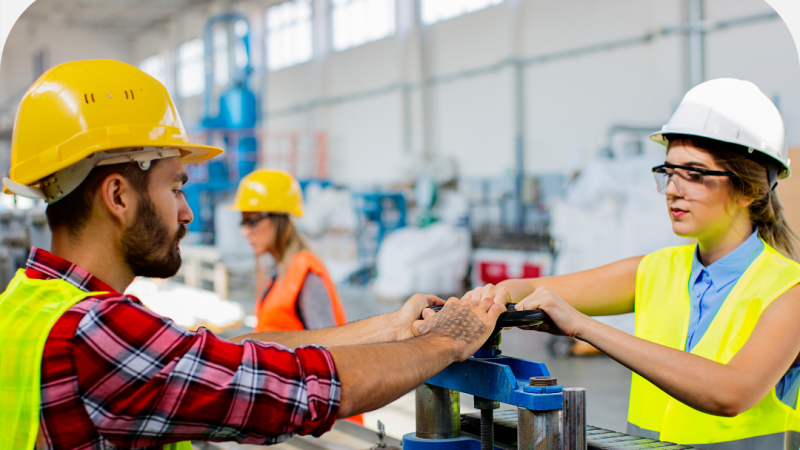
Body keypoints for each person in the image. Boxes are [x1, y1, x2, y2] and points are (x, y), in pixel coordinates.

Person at [0, 59, 505, 449]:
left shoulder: (27, 305)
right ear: (118, 196)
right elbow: (293, 387)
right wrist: (444, 342)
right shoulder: (94, 330)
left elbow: (230, 351)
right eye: (175, 187)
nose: (186, 212)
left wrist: (392, 328)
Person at [452, 79, 800, 449]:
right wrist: (491, 297)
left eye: (694, 174)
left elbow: (732, 393)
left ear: (749, 189)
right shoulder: (654, 271)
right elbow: (534, 289)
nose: (671, 190)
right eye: (669, 173)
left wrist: (584, 327)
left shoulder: (788, 291)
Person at [231, 169, 347, 333]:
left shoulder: (305, 272)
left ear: (280, 220)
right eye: (243, 222)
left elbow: (329, 343)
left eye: (252, 221)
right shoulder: (281, 271)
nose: (245, 232)